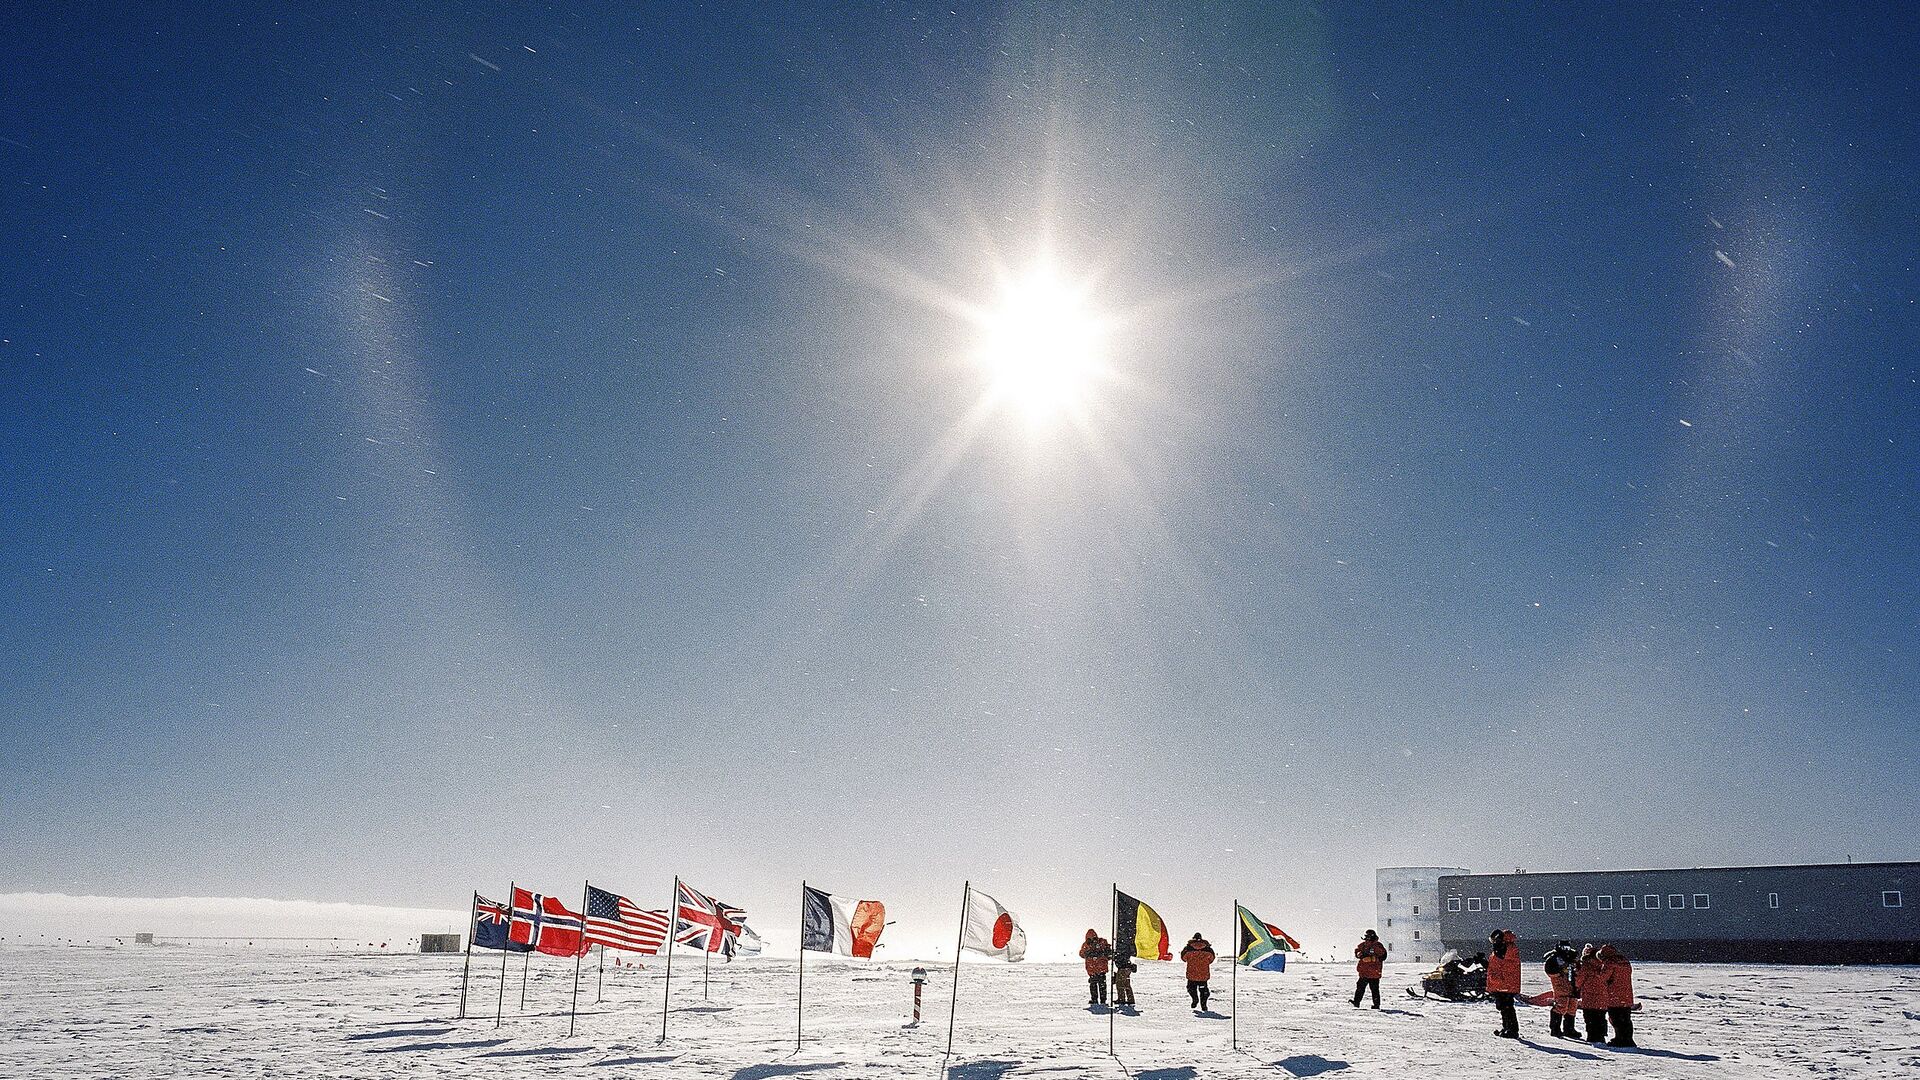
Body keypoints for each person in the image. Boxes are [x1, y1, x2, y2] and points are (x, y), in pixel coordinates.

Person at [1597, 943, 1637, 1047]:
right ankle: (1628, 1039)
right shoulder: (1625, 961)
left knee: (1616, 1019)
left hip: (1614, 995)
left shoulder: (1609, 962)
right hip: (1626, 994)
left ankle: (1620, 1039)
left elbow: (1603, 977)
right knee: (1626, 1019)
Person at [1486, 928, 1521, 1038]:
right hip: (1502, 982)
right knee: (1503, 1006)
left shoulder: (1508, 948)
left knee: (1507, 1007)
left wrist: (1498, 944)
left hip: (1506, 983)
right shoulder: (1506, 948)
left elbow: (1501, 957)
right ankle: (1507, 1028)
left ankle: (1512, 1030)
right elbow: (1496, 963)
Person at [1573, 943, 1609, 1043]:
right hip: (1602, 997)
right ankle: (1601, 1036)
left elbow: (1579, 980)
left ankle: (1592, 1037)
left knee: (1590, 1018)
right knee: (1601, 1018)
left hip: (1589, 997)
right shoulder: (1603, 964)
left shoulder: (1586, 965)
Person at [1543, 941, 1579, 1039]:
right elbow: (1549, 970)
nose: (1565, 950)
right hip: (1561, 984)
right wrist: (1560, 973)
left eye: (1567, 947)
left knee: (1572, 1006)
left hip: (1573, 984)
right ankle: (1555, 1029)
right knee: (1561, 1005)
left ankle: (1569, 1029)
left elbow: (1578, 967)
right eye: (1564, 947)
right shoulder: (1554, 958)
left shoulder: (1572, 956)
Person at [1181, 933, 1216, 1011]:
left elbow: (1183, 958)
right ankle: (1203, 1005)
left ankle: (1195, 999)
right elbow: (1211, 959)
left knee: (1191, 988)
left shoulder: (1188, 948)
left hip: (1192, 974)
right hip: (1203, 974)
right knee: (1204, 991)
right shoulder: (1208, 949)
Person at [1352, 929, 1387, 1008]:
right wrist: (1359, 954)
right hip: (1364, 972)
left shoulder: (1378, 946)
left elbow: (1383, 956)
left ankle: (1376, 1005)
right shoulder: (1363, 945)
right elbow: (1357, 952)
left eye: (1368, 936)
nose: (1367, 938)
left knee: (1374, 989)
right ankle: (1356, 1002)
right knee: (1360, 988)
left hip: (1374, 973)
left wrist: (1372, 959)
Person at [1079, 929, 1112, 1006]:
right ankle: (1101, 1000)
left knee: (1094, 985)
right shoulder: (1102, 942)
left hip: (1093, 969)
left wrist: (1090, 954)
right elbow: (1109, 953)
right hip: (1100, 968)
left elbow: (1081, 954)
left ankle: (1095, 1000)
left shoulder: (1086, 945)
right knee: (1101, 985)